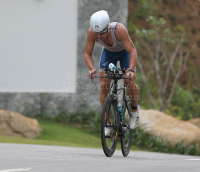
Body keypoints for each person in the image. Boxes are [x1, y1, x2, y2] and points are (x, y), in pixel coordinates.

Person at [84, 10, 140, 135]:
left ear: (107, 27)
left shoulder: (118, 30)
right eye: (97, 34)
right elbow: (87, 53)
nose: (100, 37)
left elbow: (132, 51)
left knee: (128, 81)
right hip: (109, 54)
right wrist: (92, 68)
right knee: (104, 83)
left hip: (124, 53)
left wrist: (130, 70)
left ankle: (134, 111)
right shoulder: (92, 33)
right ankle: (107, 122)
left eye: (102, 33)